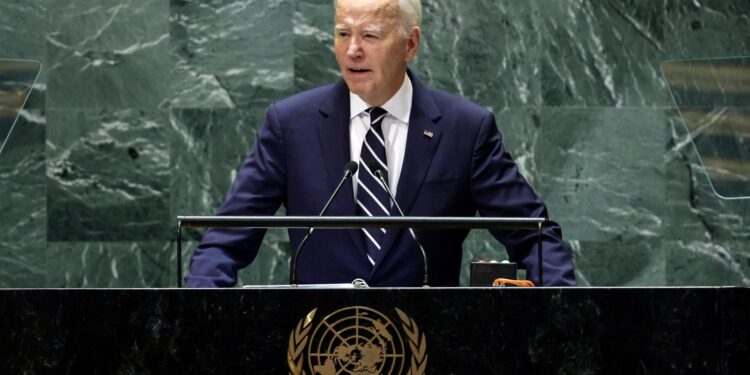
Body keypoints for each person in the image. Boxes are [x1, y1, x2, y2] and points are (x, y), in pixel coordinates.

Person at [185, 0, 575, 287]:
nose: (353, 49)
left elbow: (535, 236)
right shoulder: (291, 125)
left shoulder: (465, 129)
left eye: (370, 35)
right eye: (343, 34)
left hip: (429, 347)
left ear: (410, 44)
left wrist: (563, 313)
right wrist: (200, 312)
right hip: (316, 346)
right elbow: (225, 239)